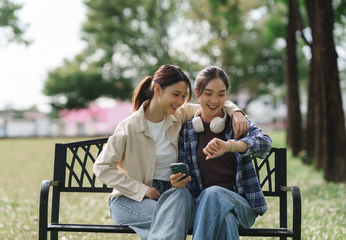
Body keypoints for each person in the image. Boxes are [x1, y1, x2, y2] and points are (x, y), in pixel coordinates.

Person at [93, 64, 248, 240]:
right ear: (158, 89)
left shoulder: (178, 114)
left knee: (179, 211)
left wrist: (236, 111)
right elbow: (102, 167)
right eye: (176, 94)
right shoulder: (129, 127)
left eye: (183, 96)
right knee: (173, 221)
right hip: (131, 200)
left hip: (175, 196)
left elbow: (211, 103)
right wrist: (142, 190)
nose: (180, 101)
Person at [173, 66, 272, 240]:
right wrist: (179, 181)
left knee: (214, 193)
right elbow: (187, 180)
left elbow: (265, 143)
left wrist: (231, 146)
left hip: (241, 205)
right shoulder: (187, 131)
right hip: (203, 208)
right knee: (225, 219)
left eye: (221, 94)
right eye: (208, 93)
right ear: (198, 94)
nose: (214, 100)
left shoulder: (237, 124)